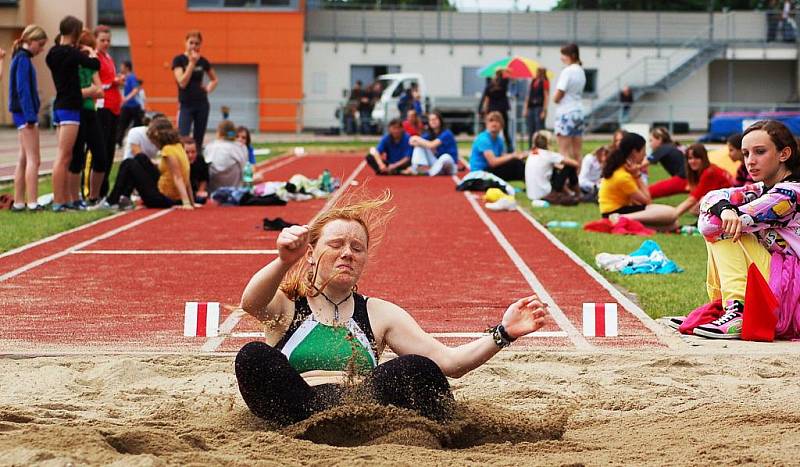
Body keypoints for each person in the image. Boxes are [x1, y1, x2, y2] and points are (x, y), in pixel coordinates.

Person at [235, 191, 549, 425]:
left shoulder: (379, 313)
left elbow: (450, 363)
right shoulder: (288, 307)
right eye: (336, 245)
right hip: (298, 407)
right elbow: (251, 302)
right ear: (311, 253)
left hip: (362, 410)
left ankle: (453, 433)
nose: (348, 253)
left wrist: (504, 333)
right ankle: (310, 427)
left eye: (357, 248)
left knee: (416, 367)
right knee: (252, 356)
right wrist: (282, 261)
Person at [692, 120, 800, 340]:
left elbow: (710, 225)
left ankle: (736, 310)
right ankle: (728, 307)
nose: (750, 161)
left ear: (784, 154)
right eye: (745, 153)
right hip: (781, 279)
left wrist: (724, 213)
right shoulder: (760, 189)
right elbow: (710, 198)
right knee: (725, 224)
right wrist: (725, 210)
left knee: (726, 230)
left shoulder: (789, 195)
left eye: (759, 152)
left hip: (792, 291)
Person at [46, 15, 101, 212]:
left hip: (60, 105)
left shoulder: (52, 53)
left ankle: (63, 199)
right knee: (64, 156)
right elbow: (95, 65)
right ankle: (59, 201)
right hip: (70, 107)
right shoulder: (71, 53)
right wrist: (91, 52)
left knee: (64, 156)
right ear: (76, 33)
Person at [95, 118, 196, 210]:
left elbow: (178, 177)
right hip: (166, 193)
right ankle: (124, 197)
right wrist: (192, 202)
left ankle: (111, 201)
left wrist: (186, 203)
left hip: (163, 198)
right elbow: (186, 176)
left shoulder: (168, 150)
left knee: (128, 163)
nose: (152, 143)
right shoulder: (178, 146)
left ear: (157, 136)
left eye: (152, 140)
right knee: (140, 157)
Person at [598, 132, 679, 230]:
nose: (645, 154)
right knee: (672, 213)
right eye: (643, 150)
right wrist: (637, 175)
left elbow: (640, 202)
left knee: (673, 224)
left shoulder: (624, 169)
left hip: (615, 211)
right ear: (634, 152)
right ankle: (621, 219)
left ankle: (625, 223)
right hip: (614, 213)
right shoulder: (623, 176)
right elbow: (647, 200)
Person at [9, 25, 47, 212]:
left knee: (23, 158)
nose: (41, 49)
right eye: (40, 45)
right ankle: (32, 202)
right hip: (25, 114)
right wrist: (31, 115)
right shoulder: (23, 60)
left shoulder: (19, 58)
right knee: (34, 159)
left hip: (21, 113)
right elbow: (22, 89)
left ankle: (18, 202)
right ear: (30, 41)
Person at [67, 29, 107, 208]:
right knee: (76, 158)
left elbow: (100, 91)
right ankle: (74, 199)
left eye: (91, 50)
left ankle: (94, 197)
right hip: (76, 113)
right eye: (85, 50)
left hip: (91, 113)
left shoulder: (91, 66)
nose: (88, 54)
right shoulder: (71, 65)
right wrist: (88, 92)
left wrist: (88, 92)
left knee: (101, 156)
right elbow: (70, 94)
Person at [172, 30, 218, 152]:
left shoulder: (203, 61)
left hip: (202, 104)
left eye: (197, 43)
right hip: (186, 105)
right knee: (182, 138)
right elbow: (182, 82)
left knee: (198, 140)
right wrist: (192, 63)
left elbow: (214, 79)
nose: (194, 46)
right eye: (191, 43)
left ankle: (197, 164)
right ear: (185, 43)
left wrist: (208, 88)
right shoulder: (179, 60)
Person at [93, 25, 122, 198]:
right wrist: (113, 82)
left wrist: (116, 80)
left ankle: (103, 192)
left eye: (108, 40)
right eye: (102, 40)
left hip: (114, 108)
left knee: (110, 151)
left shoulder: (108, 57)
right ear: (95, 40)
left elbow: (109, 80)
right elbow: (97, 83)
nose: (106, 43)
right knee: (100, 152)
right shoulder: (94, 57)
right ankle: (93, 192)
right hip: (102, 108)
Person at [673, 144, 733, 218]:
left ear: (703, 158)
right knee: (696, 206)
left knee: (700, 203)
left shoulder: (709, 172)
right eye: (690, 158)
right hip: (724, 199)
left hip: (729, 201)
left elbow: (693, 199)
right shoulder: (708, 169)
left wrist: (673, 215)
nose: (693, 161)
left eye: (697, 158)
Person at [553, 43, 586, 172]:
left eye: (564, 55)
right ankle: (578, 180)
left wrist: (554, 99)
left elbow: (560, 92)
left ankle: (566, 182)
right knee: (577, 152)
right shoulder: (581, 71)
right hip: (578, 111)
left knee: (564, 152)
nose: (562, 58)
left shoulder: (567, 71)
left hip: (566, 112)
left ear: (572, 55)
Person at [525, 130, 580, 203]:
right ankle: (578, 193)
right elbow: (575, 164)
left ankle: (569, 192)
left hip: (531, 194)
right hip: (545, 193)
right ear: (548, 143)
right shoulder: (549, 155)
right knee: (569, 167)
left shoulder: (532, 154)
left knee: (554, 169)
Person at [469, 111, 526, 182]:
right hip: (479, 173)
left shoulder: (499, 139)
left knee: (518, 162)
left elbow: (502, 156)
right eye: (491, 121)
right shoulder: (483, 139)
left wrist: (518, 155)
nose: (494, 124)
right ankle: (531, 185)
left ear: (502, 125)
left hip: (488, 170)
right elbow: (493, 162)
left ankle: (529, 183)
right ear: (486, 124)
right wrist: (512, 156)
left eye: (497, 121)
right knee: (516, 164)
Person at [407, 110, 458, 176]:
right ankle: (416, 168)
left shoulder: (447, 133)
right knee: (419, 146)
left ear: (440, 120)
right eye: (431, 120)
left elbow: (432, 145)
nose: (433, 121)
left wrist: (416, 138)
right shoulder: (429, 134)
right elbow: (411, 142)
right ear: (429, 122)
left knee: (445, 157)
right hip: (436, 162)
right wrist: (417, 141)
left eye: (435, 119)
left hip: (450, 165)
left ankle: (428, 172)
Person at [205, 120, 249, 192]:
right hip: (234, 187)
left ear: (219, 132)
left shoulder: (210, 146)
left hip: (213, 187)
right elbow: (244, 169)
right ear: (233, 132)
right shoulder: (240, 146)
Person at [645, 127, 688, 199]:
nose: (650, 144)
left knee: (646, 193)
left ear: (659, 139)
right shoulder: (673, 145)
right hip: (692, 178)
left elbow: (643, 163)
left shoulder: (663, 148)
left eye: (651, 140)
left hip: (683, 179)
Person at [481, 69, 513, 151]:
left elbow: (486, 99)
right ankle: (509, 148)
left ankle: (506, 147)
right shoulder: (503, 82)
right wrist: (507, 71)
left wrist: (485, 110)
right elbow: (487, 98)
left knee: (497, 129)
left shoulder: (492, 84)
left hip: (494, 108)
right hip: (499, 108)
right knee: (504, 129)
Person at [116, 60, 143, 146]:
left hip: (134, 106)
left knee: (137, 125)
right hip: (126, 106)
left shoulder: (132, 77)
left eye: (122, 66)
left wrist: (126, 98)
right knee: (122, 124)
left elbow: (135, 89)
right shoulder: (125, 78)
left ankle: (137, 142)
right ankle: (118, 142)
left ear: (127, 68)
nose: (120, 68)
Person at [523, 67, 549, 150]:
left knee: (539, 130)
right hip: (531, 107)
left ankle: (540, 148)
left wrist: (544, 111)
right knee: (531, 129)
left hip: (539, 107)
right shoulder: (533, 81)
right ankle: (531, 147)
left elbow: (546, 97)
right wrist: (525, 108)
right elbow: (528, 96)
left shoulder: (544, 82)